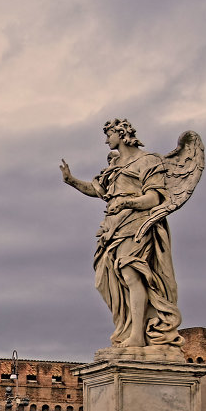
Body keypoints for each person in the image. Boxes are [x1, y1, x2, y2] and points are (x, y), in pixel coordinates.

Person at [60, 118, 182, 349]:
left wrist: (128, 203)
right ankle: (126, 328)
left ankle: (137, 335)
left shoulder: (148, 161)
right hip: (112, 227)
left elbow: (155, 198)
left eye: (109, 134)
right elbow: (99, 191)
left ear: (122, 133)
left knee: (131, 273)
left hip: (136, 223)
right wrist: (72, 181)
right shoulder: (115, 165)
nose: (106, 140)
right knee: (106, 280)